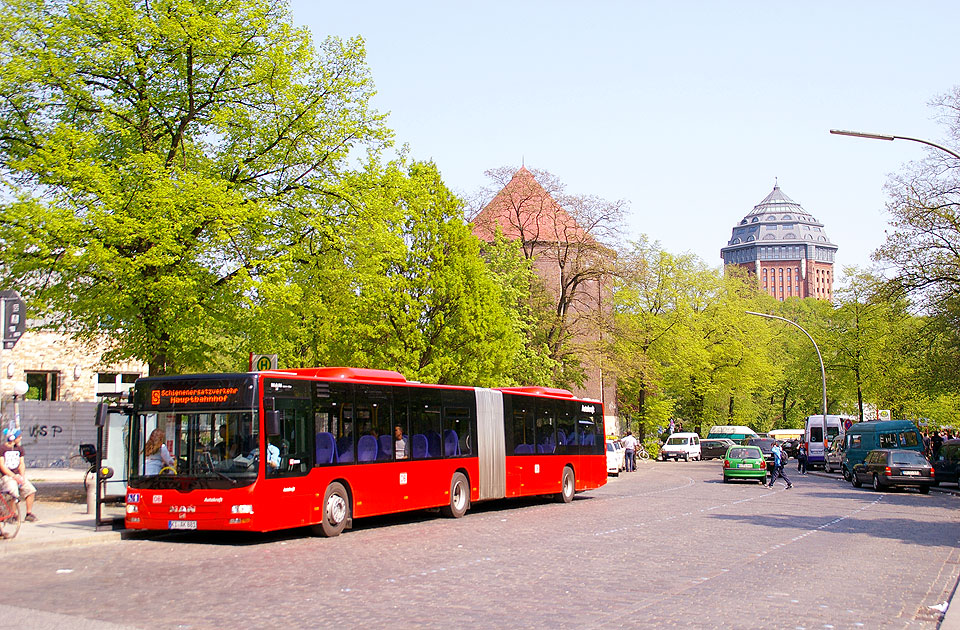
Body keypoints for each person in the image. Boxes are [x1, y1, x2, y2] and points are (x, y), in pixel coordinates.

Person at [0, 429, 38, 522]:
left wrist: (22, 476)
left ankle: (28, 514)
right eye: (19, 437)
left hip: (18, 476)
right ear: (12, 438)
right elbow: (1, 465)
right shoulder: (2, 449)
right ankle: (12, 514)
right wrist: (13, 476)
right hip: (7, 476)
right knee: (13, 491)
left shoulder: (19, 449)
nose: (20, 438)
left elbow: (21, 463)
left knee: (30, 490)